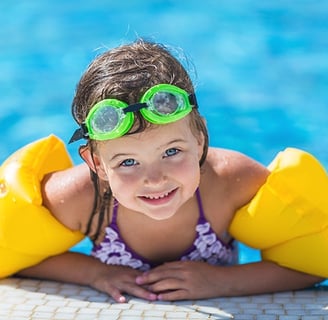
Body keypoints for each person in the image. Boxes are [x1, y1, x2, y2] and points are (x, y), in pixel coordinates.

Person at [17, 39, 323, 303]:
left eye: (171, 152)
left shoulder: (233, 183)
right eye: (127, 162)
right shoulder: (80, 199)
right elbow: (12, 254)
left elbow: (315, 262)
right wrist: (94, 273)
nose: (155, 178)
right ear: (97, 164)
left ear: (200, 138)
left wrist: (222, 282)